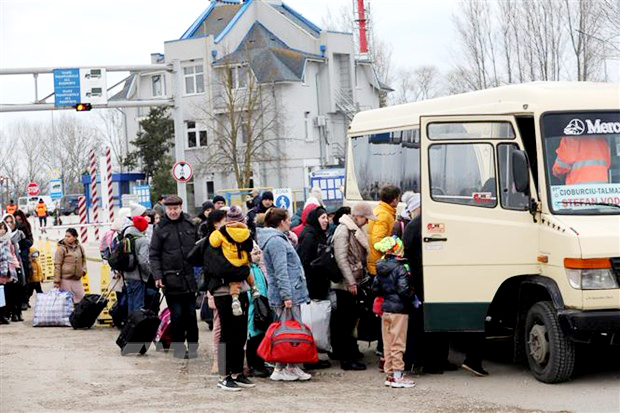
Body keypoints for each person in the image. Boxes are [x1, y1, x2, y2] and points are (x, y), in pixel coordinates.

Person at [256, 208, 312, 382]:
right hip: (288, 294)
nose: (291, 223)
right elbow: (281, 271)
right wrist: (286, 296)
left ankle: (291, 365)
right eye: (288, 220)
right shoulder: (277, 242)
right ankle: (281, 367)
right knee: (286, 332)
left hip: (289, 292)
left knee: (289, 331)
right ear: (281, 222)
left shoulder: (277, 240)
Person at [150, 195, 198, 359]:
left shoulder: (190, 224)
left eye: (176, 208)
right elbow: (154, 255)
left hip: (190, 279)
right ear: (165, 209)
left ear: (180, 208)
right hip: (171, 280)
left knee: (191, 315)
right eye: (170, 209)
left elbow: (199, 248)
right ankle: (178, 348)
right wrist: (158, 276)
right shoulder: (160, 228)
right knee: (177, 316)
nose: (173, 212)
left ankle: (193, 347)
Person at [331, 202, 376, 371]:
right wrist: (351, 282)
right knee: (346, 323)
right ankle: (347, 359)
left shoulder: (351, 229)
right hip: (346, 285)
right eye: (366, 218)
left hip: (353, 282)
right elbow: (341, 258)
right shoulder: (344, 230)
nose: (367, 222)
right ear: (358, 216)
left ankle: (351, 354)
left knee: (350, 321)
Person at [372, 236, 416, 389]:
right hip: (399, 310)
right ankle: (398, 376)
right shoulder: (400, 268)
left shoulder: (380, 267)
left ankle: (389, 374)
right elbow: (404, 290)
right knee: (398, 343)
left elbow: (375, 289)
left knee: (388, 343)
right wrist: (413, 296)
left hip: (386, 309)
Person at [208, 206, 258, 317]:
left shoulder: (220, 234)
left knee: (224, 327)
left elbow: (214, 242)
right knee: (247, 272)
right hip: (241, 271)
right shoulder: (245, 233)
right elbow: (249, 248)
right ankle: (254, 288)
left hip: (225, 281)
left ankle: (235, 298)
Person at [296, 206, 330, 300]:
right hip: (313, 285)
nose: (326, 220)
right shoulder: (309, 236)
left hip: (320, 282)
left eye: (327, 217)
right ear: (316, 219)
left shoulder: (320, 234)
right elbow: (305, 261)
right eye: (323, 217)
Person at [124, 216, 156, 313]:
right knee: (138, 304)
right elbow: (143, 260)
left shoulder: (126, 237)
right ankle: (137, 325)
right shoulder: (143, 241)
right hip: (138, 276)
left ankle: (130, 324)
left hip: (127, 275)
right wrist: (149, 272)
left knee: (131, 302)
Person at [368, 185, 401, 277]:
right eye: (398, 198)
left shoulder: (380, 210)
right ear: (394, 199)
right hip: (379, 263)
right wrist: (393, 247)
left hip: (376, 260)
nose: (399, 200)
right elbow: (377, 240)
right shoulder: (384, 215)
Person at [53, 228, 87, 304]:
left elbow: (84, 260)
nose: (67, 238)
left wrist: (84, 270)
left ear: (75, 237)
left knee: (81, 299)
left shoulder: (80, 247)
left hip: (77, 279)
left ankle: (77, 315)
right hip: (65, 279)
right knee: (68, 302)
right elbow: (57, 265)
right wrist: (57, 281)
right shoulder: (61, 249)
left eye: (69, 236)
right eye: (66, 236)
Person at [0, 221, 18, 323]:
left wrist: (16, 266)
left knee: (7, 294)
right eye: (0, 228)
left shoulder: (8, 241)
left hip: (8, 270)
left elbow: (12, 254)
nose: (2, 231)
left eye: (4, 229)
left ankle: (5, 315)